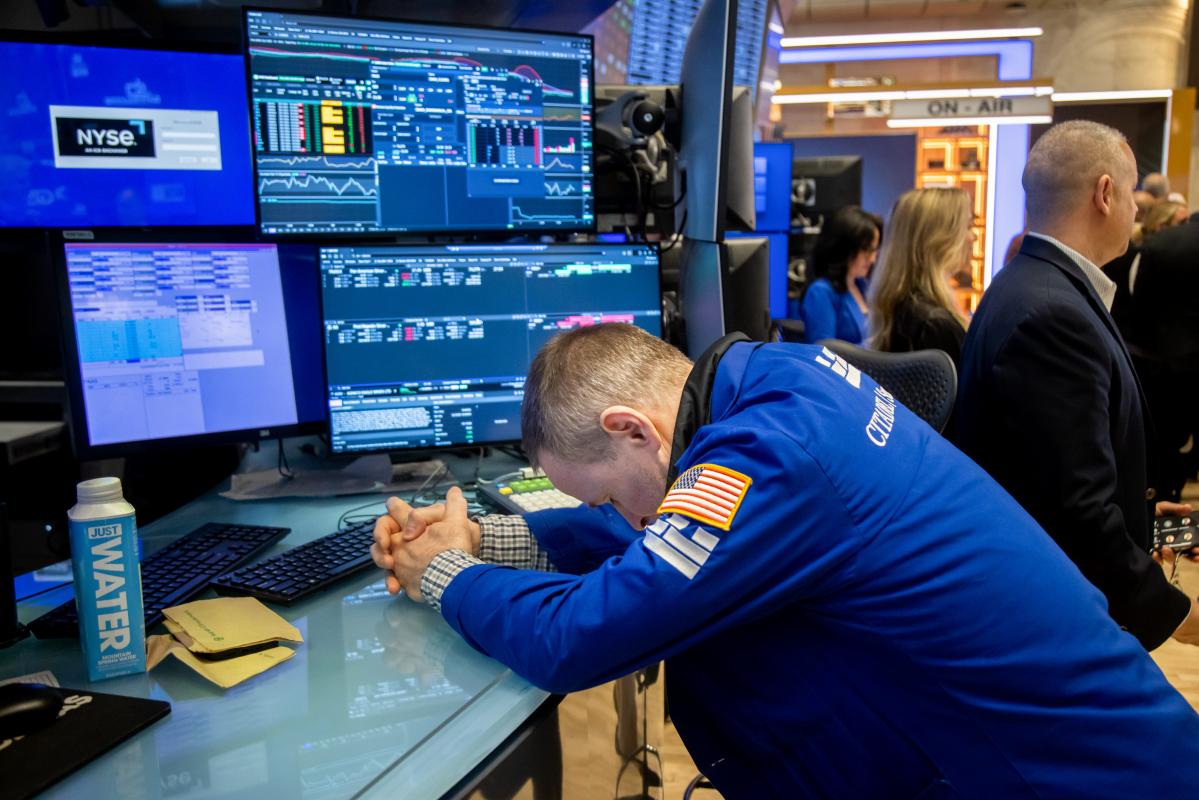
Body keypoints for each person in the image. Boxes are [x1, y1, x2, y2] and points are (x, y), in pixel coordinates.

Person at [372, 323, 1199, 798]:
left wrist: (442, 576)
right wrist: (493, 542)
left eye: (606, 496)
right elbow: (679, 541)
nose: (620, 518)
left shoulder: (770, 460)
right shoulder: (777, 377)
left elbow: (579, 638)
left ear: (631, 428)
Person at [953, 120, 1198, 650]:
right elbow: (1075, 511)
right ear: (1105, 194)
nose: (1136, 210)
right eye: (1130, 191)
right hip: (1045, 622)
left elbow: (1047, 468)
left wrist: (1139, 510)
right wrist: (1174, 612)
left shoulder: (1032, 283)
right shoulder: (1052, 314)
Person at [867, 187, 971, 365]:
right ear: (939, 240)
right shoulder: (936, 326)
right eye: (968, 227)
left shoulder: (901, 308)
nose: (973, 236)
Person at [796, 205, 882, 343]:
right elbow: (824, 351)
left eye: (874, 251)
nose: (872, 259)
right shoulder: (820, 292)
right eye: (867, 250)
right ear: (844, 249)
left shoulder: (861, 285)